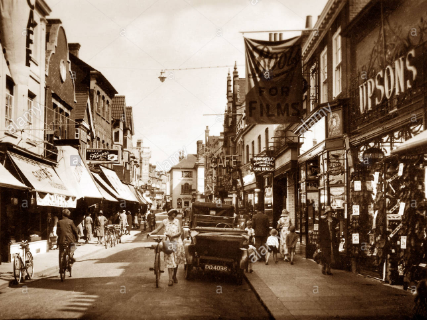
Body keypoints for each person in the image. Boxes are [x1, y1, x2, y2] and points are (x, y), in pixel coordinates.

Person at [149, 209, 185, 286]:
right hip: (168, 242)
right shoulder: (164, 221)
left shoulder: (177, 221)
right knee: (170, 259)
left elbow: (180, 232)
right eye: (173, 213)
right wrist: (150, 233)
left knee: (176, 260)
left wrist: (173, 236)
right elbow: (157, 230)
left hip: (177, 242)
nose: (174, 215)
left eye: (175, 214)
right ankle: (170, 279)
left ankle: (174, 275)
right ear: (169, 214)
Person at [318, 206, 338, 275]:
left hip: (332, 240)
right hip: (325, 240)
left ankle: (329, 269)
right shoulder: (323, 221)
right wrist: (319, 241)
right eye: (329, 212)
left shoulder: (334, 220)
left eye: (331, 212)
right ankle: (324, 267)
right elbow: (320, 232)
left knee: (331, 255)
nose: (330, 214)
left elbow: (336, 228)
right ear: (326, 213)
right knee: (325, 254)